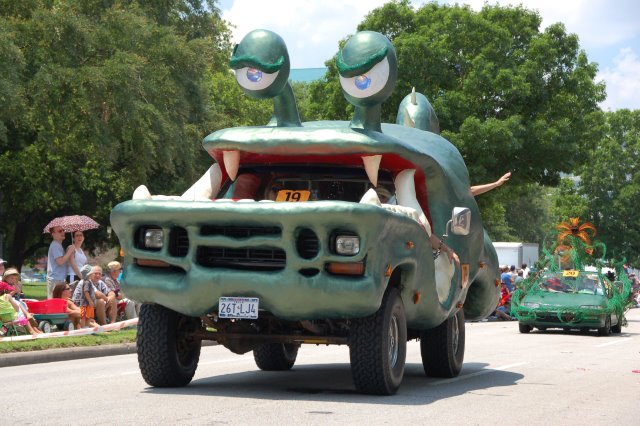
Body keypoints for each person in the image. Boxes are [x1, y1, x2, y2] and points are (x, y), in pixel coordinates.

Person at [46, 226, 75, 299]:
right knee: (54, 302)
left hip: (58, 279)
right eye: (59, 231)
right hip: (55, 279)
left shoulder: (58, 245)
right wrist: (69, 251)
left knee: (58, 302)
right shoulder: (55, 245)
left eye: (63, 230)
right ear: (53, 234)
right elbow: (60, 262)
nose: (63, 232)